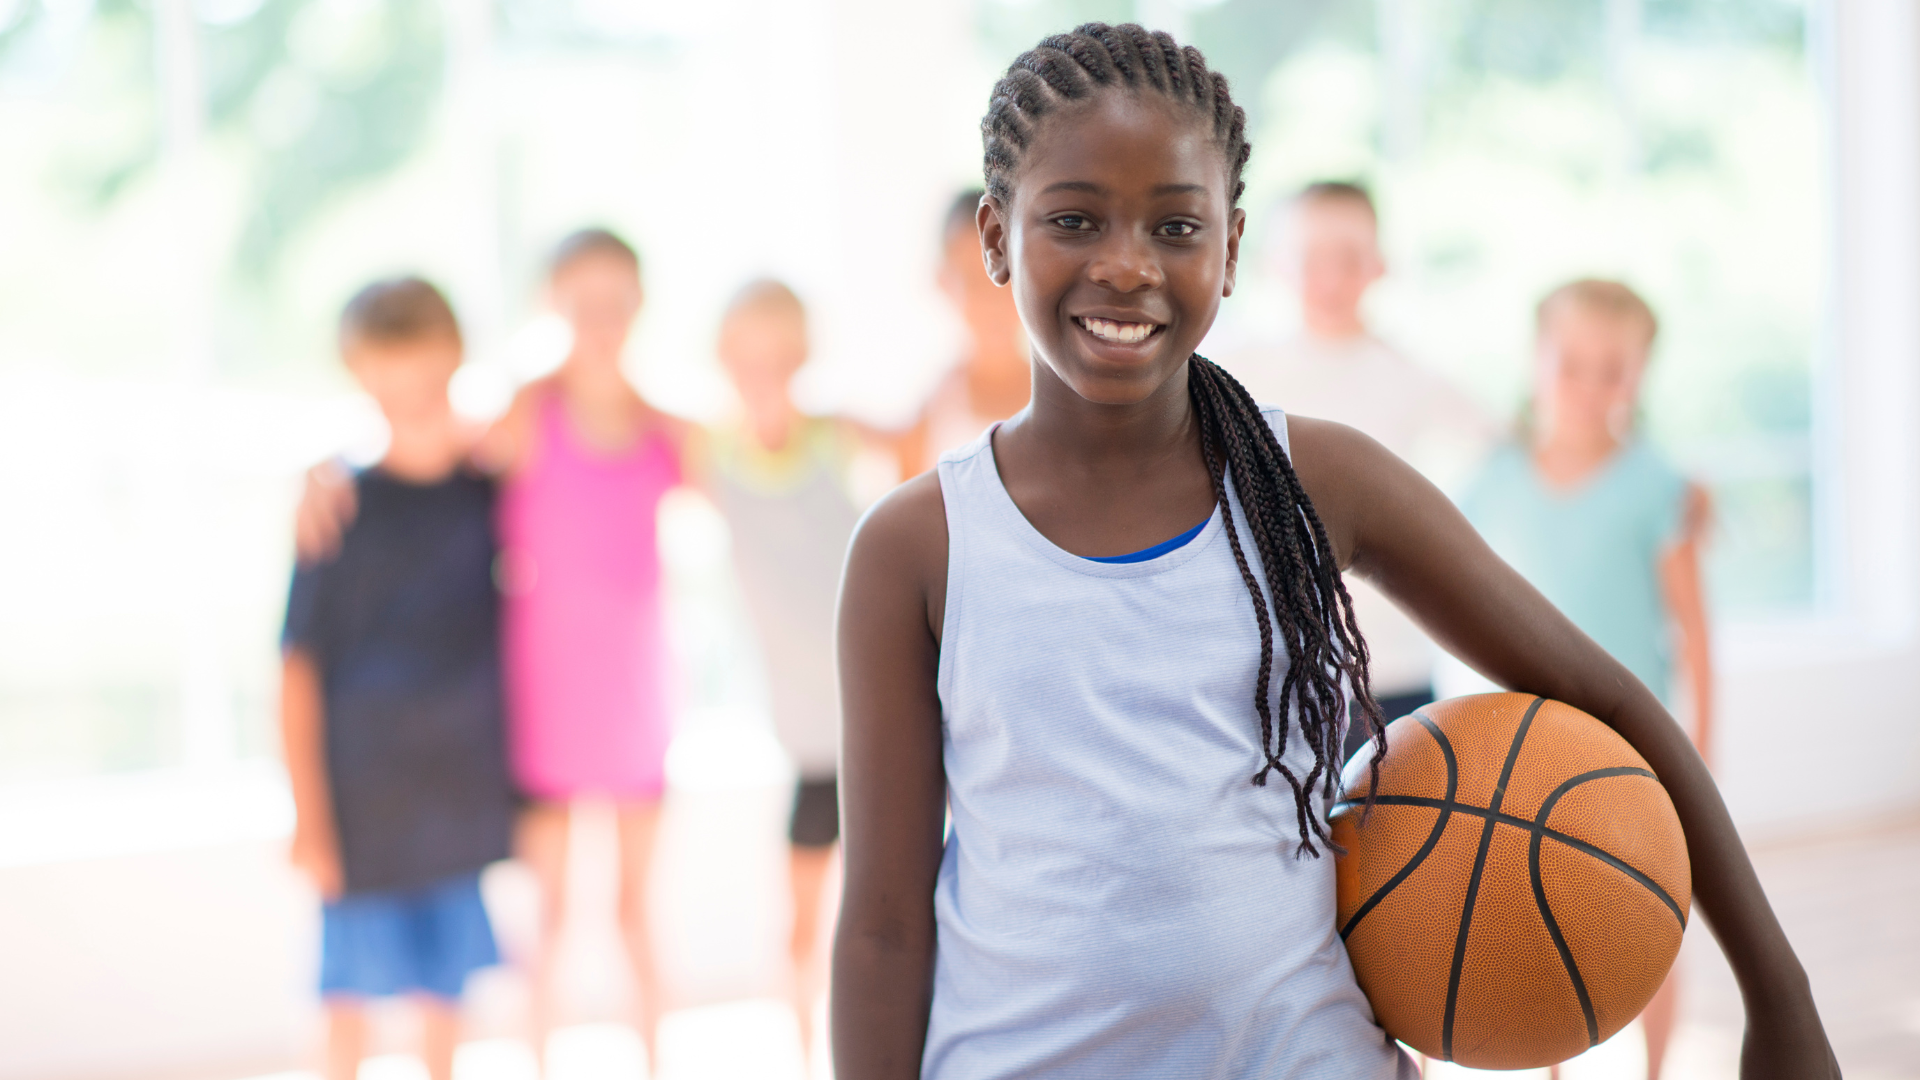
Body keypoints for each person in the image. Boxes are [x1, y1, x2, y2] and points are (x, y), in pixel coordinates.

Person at [830, 22, 1835, 1080]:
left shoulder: (1317, 482)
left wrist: (1782, 996)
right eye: (1075, 219)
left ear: (1231, 243)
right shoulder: (915, 549)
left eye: (1177, 226)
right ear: (996, 236)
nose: (1126, 265)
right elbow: (885, 926)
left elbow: (1613, 700)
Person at [296, 229, 686, 1072]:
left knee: (616, 923)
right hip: (502, 735)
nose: (599, 321)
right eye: (580, 303)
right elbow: (411, 449)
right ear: (551, 307)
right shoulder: (516, 423)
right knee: (521, 936)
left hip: (612, 722)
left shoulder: (662, 434)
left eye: (615, 302)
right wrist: (323, 467)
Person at [1449, 279, 1713, 1080]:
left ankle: (1657, 1070)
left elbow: (1696, 637)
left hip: (1636, 742)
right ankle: (1553, 1065)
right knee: (1539, 913)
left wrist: (1704, 750)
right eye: (1573, 364)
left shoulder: (1659, 487)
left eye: (1616, 369)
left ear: (1643, 374)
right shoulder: (1493, 477)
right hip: (1528, 742)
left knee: (1650, 915)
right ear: (1535, 359)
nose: (1594, 388)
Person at [280, 277, 515, 1080]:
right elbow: (295, 668)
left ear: (454, 360)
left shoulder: (490, 486)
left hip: (460, 790)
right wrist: (309, 818)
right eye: (389, 380)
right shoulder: (338, 505)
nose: (410, 397)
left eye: (425, 376)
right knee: (347, 996)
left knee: (444, 997)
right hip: (362, 801)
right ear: (359, 374)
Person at [1222, 182, 1496, 760]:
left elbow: (1515, 443)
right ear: (1273, 265)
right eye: (1310, 258)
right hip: (1271, 660)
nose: (1330, 277)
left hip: (1391, 664)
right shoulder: (1234, 370)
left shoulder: (1406, 372)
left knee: (1398, 836)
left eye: (1348, 258)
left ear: (1379, 266)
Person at [695, 279, 863, 1071]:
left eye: (778, 354)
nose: (762, 370)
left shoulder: (843, 437)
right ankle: (800, 1059)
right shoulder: (707, 454)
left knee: (895, 916)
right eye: (745, 355)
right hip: (807, 746)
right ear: (723, 359)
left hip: (884, 730)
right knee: (797, 931)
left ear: (802, 356)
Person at [895, 189, 1033, 476]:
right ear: (944, 281)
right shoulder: (931, 415)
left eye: (1007, 273)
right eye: (974, 277)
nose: (994, 297)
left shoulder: (1066, 402)